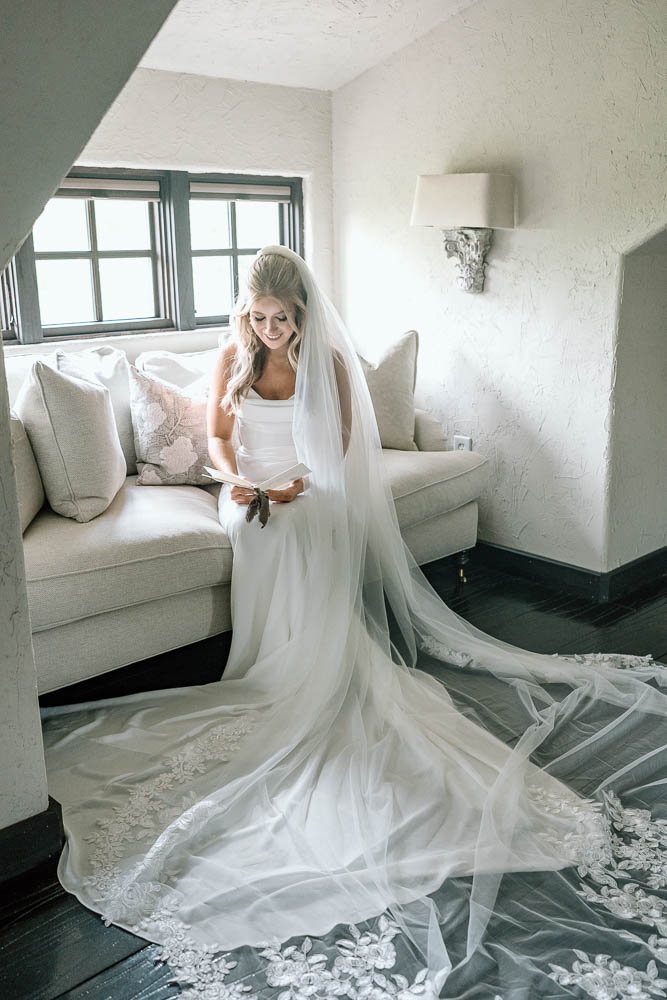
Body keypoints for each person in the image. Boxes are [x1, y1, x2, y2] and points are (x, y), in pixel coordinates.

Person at [42, 246, 667, 999]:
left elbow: (338, 447)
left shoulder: (327, 365)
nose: (271, 330)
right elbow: (214, 437)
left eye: (282, 319)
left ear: (301, 314)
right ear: (248, 313)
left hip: (308, 484)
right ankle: (266, 657)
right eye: (260, 318)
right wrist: (237, 480)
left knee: (301, 525)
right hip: (244, 488)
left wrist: (299, 482)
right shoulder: (231, 355)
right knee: (256, 526)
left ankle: (311, 663)